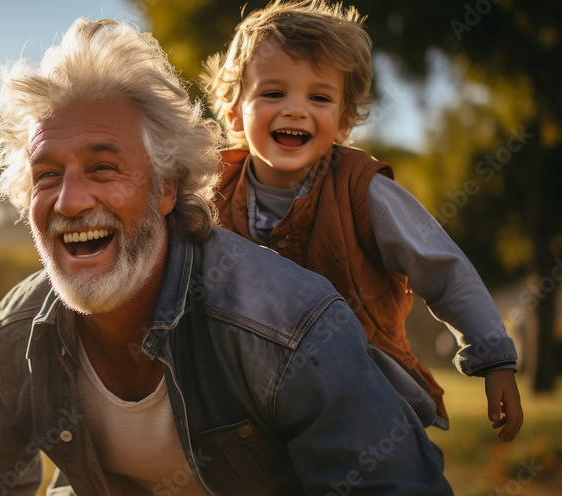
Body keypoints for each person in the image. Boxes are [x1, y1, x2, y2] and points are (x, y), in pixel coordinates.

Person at [0, 17, 460, 496]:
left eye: (103, 167)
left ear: (167, 188)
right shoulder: (20, 329)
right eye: (47, 174)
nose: (70, 201)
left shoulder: (285, 320)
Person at [201, 0, 522, 440]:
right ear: (235, 111)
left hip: (369, 393)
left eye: (319, 97)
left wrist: (495, 359)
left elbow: (441, 266)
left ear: (344, 121)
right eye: (273, 93)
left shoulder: (362, 190)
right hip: (256, 404)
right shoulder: (209, 194)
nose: (296, 109)